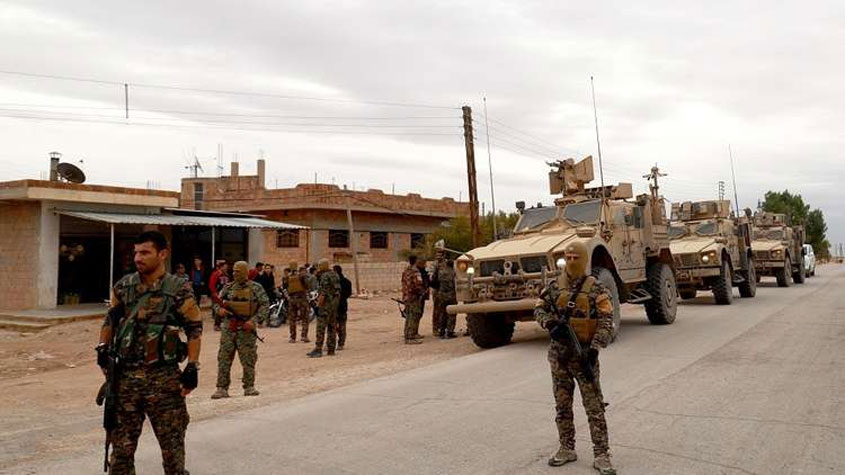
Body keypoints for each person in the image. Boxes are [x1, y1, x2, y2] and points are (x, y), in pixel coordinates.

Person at [95, 230, 202, 475]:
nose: (138, 258)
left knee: (172, 453)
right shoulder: (124, 286)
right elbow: (110, 320)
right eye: (136, 253)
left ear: (162, 254)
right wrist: (102, 349)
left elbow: (194, 329)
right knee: (120, 455)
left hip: (164, 381)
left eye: (145, 252)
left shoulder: (178, 289)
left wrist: (192, 367)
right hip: (125, 380)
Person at [534, 241, 616, 474]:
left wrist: (595, 348)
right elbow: (539, 309)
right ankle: (567, 448)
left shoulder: (596, 288)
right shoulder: (553, 286)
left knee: (594, 407)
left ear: (584, 260)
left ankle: (601, 454)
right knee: (562, 406)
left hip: (584, 356)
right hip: (559, 357)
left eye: (576, 258)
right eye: (568, 258)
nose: (571, 262)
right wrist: (549, 324)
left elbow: (606, 320)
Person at [211, 261, 269, 399]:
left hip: (246, 329)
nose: (234, 273)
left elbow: (265, 305)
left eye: (237, 271)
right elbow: (217, 303)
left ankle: (249, 386)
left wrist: (254, 321)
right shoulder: (228, 287)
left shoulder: (256, 288)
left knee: (248, 359)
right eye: (233, 271)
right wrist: (220, 310)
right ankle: (221, 388)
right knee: (224, 358)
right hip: (229, 328)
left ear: (244, 272)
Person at [307, 259, 340, 358]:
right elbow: (338, 291)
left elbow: (323, 293)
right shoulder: (335, 275)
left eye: (319, 265)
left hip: (325, 306)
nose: (318, 268)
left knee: (320, 328)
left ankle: (318, 349)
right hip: (333, 306)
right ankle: (331, 349)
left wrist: (318, 305)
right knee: (332, 328)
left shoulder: (325, 276)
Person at [400, 255, 425, 344]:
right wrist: (422, 292)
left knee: (408, 316)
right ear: (416, 261)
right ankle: (411, 337)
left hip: (407, 296)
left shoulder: (406, 271)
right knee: (413, 316)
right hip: (414, 297)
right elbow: (418, 284)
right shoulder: (415, 271)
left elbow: (403, 283)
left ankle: (408, 334)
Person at [283, 263, 310, 343]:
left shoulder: (287, 277)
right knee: (305, 317)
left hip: (292, 299)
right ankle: (304, 336)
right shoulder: (301, 276)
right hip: (302, 298)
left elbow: (284, 287)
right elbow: (307, 286)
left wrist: (288, 297)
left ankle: (292, 337)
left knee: (292, 319)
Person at [432, 260, 458, 338]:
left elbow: (434, 280)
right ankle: (450, 331)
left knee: (442, 313)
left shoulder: (441, 272)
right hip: (451, 294)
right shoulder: (453, 273)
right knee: (452, 313)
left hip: (442, 294)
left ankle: (441, 331)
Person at [333, 264, 353, 350]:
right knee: (341, 325)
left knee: (334, 326)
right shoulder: (347, 282)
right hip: (342, 305)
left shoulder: (333, 282)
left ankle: (333, 343)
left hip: (335, 306)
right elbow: (349, 293)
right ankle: (341, 343)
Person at [208, 260, 230, 331]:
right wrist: (215, 293)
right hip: (217, 294)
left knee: (225, 309)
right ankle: (216, 325)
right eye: (225, 267)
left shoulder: (227, 275)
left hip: (225, 295)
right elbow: (211, 285)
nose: (226, 268)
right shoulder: (216, 274)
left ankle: (225, 324)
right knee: (218, 309)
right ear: (221, 267)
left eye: (226, 267)